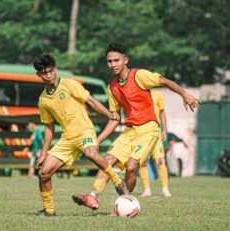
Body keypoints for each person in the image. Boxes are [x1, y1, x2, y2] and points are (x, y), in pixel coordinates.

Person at [72, 42, 200, 210]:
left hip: (149, 129)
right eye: (109, 61)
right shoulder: (112, 87)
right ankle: (93, 196)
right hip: (129, 131)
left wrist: (184, 94)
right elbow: (115, 118)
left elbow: (165, 81)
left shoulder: (139, 75)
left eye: (116, 60)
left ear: (125, 60)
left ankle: (126, 204)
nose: (113, 64)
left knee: (132, 166)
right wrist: (97, 140)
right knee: (107, 160)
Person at [33, 54, 128, 216]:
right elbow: (49, 128)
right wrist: (43, 152)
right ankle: (49, 211)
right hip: (67, 139)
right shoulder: (43, 100)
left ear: (55, 69)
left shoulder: (69, 84)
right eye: (44, 73)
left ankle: (118, 181)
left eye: (50, 71)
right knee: (43, 173)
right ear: (39, 75)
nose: (48, 75)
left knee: (91, 153)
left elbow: (90, 101)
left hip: (84, 130)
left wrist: (109, 114)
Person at [139, 90, 171, 197]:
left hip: (156, 133)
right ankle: (147, 189)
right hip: (142, 134)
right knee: (142, 162)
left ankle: (165, 189)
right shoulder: (137, 94)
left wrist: (164, 130)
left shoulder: (158, 94)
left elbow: (162, 112)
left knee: (161, 161)